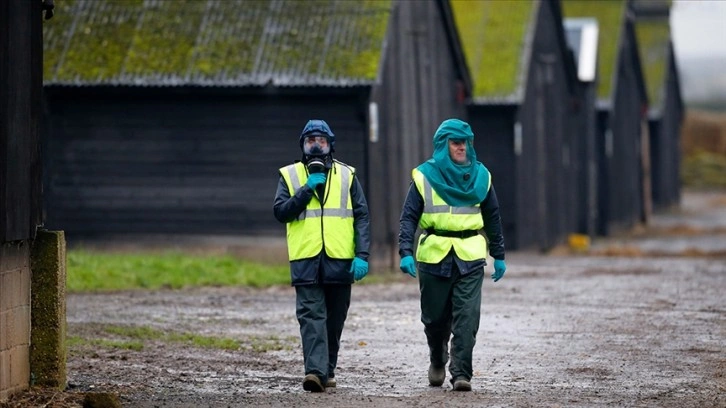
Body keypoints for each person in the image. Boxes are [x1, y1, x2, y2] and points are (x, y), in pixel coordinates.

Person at [398, 118, 506, 391]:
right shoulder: (424, 176)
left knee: (467, 318)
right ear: (443, 145)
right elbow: (409, 217)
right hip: (434, 256)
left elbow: (492, 217)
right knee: (434, 320)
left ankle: (461, 374)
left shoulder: (482, 177)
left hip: (470, 256)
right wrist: (405, 251)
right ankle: (437, 359)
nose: (462, 148)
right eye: (456, 143)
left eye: (465, 143)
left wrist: (499, 254)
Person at [273, 119, 371, 392]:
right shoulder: (290, 175)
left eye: (322, 141)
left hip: (340, 259)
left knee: (334, 319)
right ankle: (314, 372)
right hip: (305, 259)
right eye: (310, 141)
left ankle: (326, 369)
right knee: (311, 316)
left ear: (331, 145)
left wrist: (361, 254)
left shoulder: (348, 175)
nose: (316, 146)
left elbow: (361, 216)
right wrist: (306, 190)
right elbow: (281, 212)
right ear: (303, 146)